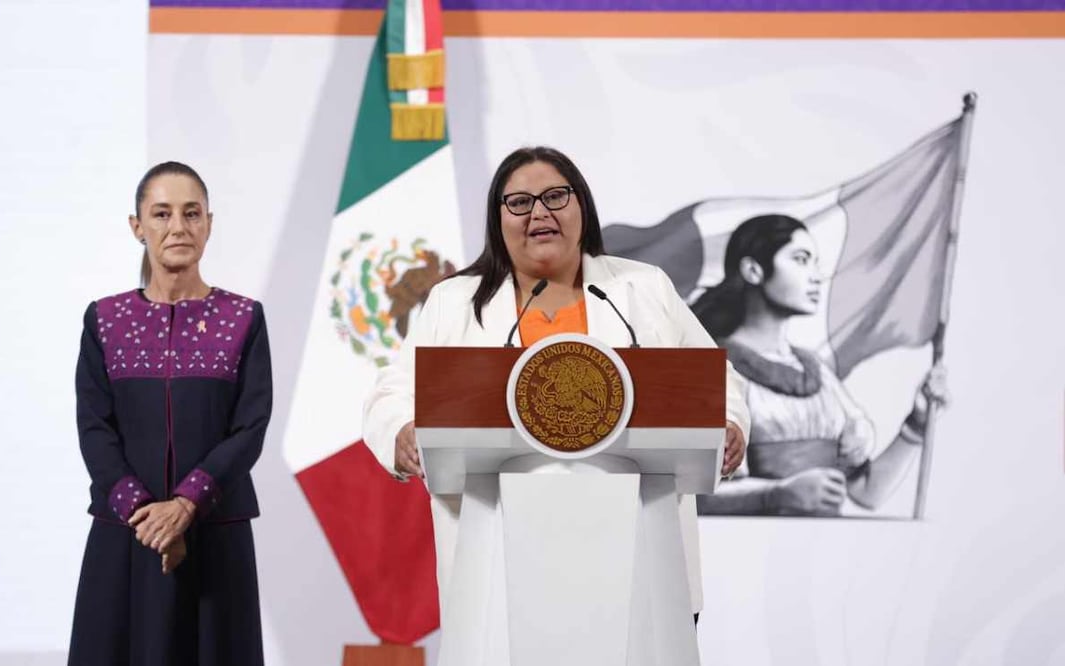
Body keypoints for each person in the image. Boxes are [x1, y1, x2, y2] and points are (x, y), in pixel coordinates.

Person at [363, 146, 750, 617]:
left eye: (555, 197)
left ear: (581, 207)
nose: (539, 213)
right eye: (519, 202)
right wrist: (401, 431)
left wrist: (729, 424)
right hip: (501, 557)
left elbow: (714, 377)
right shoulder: (455, 301)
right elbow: (392, 392)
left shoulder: (642, 288)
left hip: (637, 550)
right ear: (497, 220)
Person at [68, 161, 272, 665]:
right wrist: (147, 516)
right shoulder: (104, 319)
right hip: (126, 537)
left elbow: (250, 426)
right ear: (137, 227)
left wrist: (185, 506)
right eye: (161, 214)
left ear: (209, 223)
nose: (178, 226)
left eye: (191, 213)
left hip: (216, 533)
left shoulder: (243, 318)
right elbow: (95, 428)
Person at [692, 214, 946, 516]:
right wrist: (777, 494)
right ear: (753, 270)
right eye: (801, 260)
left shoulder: (818, 372)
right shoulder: (711, 368)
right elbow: (696, 495)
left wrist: (916, 424)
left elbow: (866, 492)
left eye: (815, 263)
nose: (815, 276)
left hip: (821, 552)